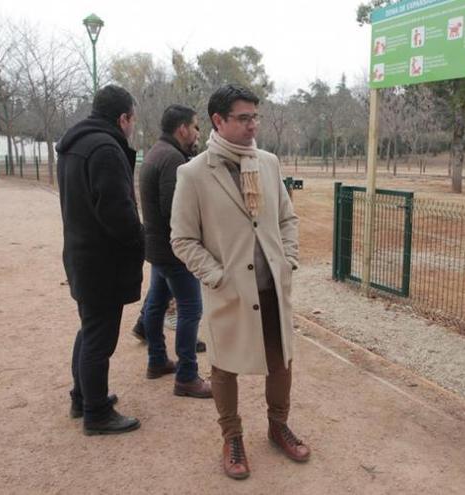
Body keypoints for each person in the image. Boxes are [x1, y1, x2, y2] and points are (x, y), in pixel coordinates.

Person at [171, 84, 310, 480]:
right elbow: (182, 238)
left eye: (255, 117)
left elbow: (287, 218)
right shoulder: (194, 173)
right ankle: (232, 437)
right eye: (243, 118)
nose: (253, 126)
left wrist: (288, 259)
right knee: (224, 366)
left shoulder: (267, 163)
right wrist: (216, 276)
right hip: (229, 291)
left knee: (280, 359)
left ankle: (278, 425)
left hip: (271, 287)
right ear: (218, 120)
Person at [56, 85, 144, 436]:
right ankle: (96, 412)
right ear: (123, 118)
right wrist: (139, 237)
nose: (133, 126)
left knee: (90, 329)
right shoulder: (106, 149)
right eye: (133, 119)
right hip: (103, 262)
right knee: (100, 339)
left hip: (81, 255)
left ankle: (82, 397)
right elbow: (117, 211)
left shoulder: (74, 144)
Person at [138, 104, 211, 398]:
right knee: (191, 308)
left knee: (156, 302)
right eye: (195, 127)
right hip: (174, 251)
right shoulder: (172, 159)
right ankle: (187, 376)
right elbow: (175, 211)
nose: (197, 133)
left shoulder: (157, 152)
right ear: (181, 128)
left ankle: (157, 360)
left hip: (157, 247)